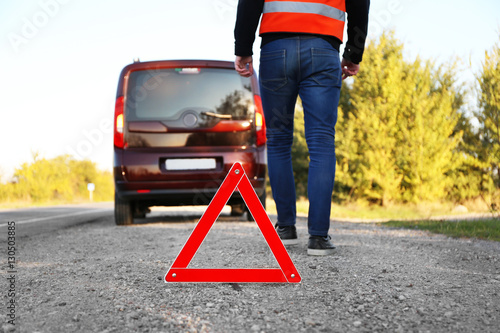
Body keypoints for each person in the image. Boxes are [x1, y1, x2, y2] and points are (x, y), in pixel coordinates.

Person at [234, 0, 370, 255]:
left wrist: (243, 47)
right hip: (322, 50)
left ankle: (285, 228)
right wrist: (354, 52)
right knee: (321, 142)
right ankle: (318, 237)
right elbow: (360, 3)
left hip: (276, 50)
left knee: (278, 140)